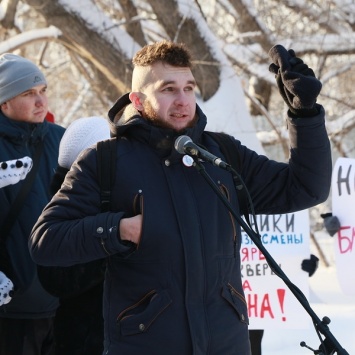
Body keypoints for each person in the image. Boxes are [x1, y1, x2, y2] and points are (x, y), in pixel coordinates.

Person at [29, 41, 332, 354]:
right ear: (137, 99)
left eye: (189, 88)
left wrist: (304, 113)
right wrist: (119, 229)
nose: (183, 100)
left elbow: (306, 188)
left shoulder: (222, 154)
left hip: (226, 344)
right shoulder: (105, 161)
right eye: (168, 89)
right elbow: (45, 240)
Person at [0, 53, 65, 355]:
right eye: (28, 94)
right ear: (4, 103)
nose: (41, 101)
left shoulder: (63, 140)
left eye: (43, 91)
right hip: (11, 308)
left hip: (63, 301)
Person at [39, 116, 110, 355]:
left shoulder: (117, 194)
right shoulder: (67, 207)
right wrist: (113, 240)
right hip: (85, 339)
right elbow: (55, 278)